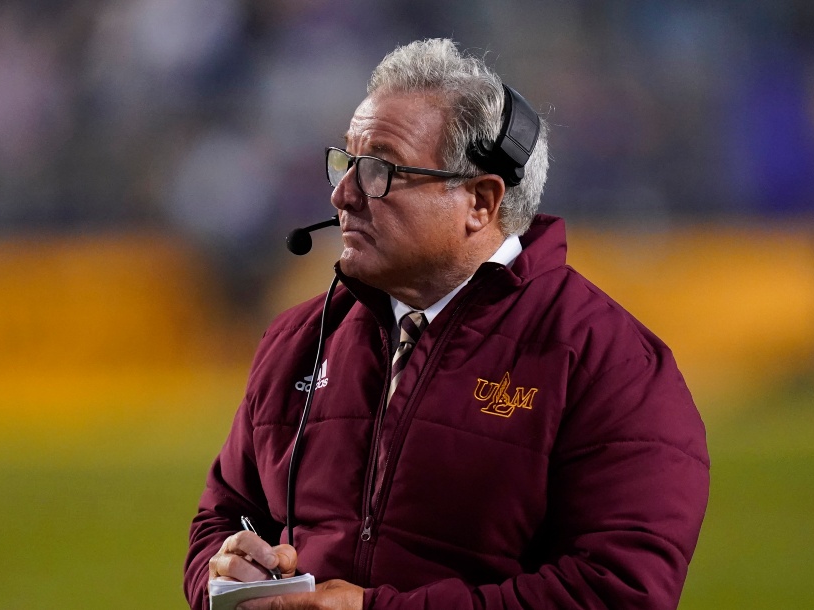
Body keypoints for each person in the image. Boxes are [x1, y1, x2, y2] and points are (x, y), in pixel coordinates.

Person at [185, 38, 709, 610]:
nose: (342, 194)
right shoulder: (298, 340)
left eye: (379, 170)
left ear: (481, 201)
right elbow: (224, 512)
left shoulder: (608, 361)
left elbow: (618, 592)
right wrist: (226, 574)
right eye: (346, 163)